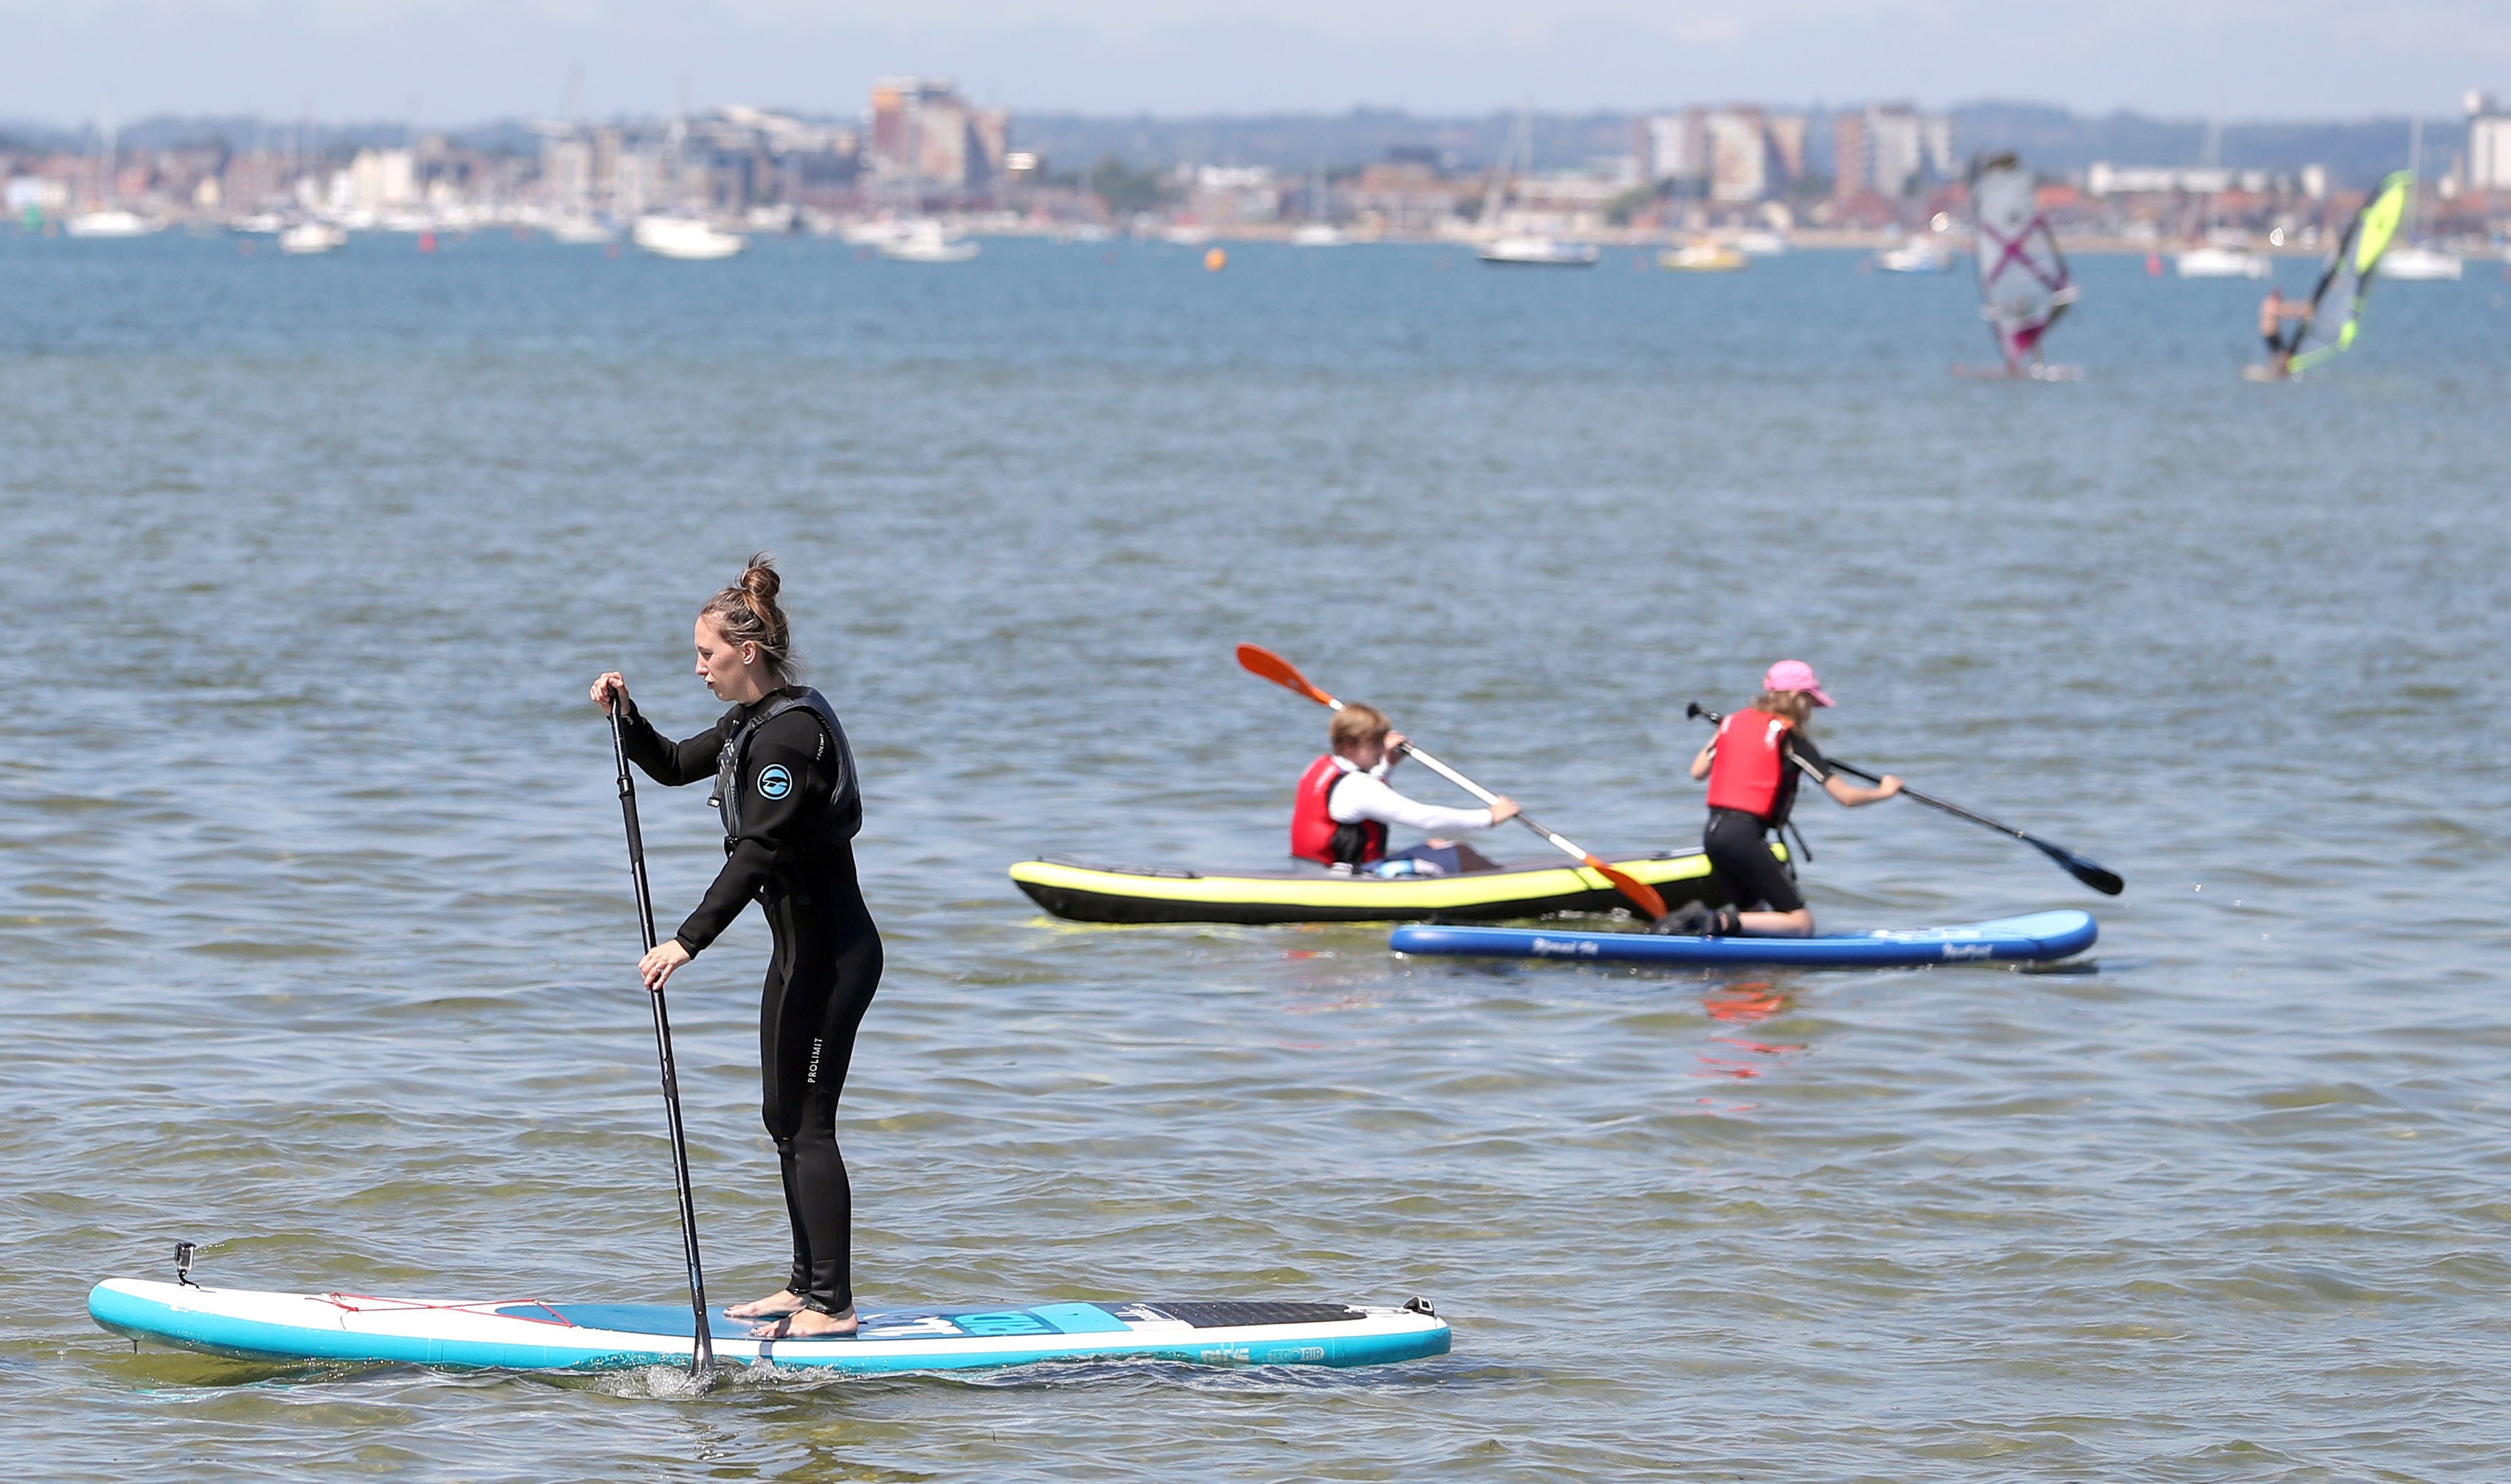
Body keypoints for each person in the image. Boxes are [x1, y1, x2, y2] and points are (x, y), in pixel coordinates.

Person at [589, 555, 880, 1339]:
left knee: (810, 1122)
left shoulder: (789, 738)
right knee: (780, 1115)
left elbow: (755, 854)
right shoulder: (753, 720)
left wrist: (686, 941)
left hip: (834, 955)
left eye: (707, 654)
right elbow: (675, 764)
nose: (699, 667)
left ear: (745, 652)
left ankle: (833, 1303)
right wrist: (626, 714)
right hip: (797, 954)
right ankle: (801, 1285)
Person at [1670, 661, 1900, 937]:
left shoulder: (1732, 723)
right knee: (1801, 924)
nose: (1811, 712)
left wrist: (1725, 734)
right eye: (1809, 701)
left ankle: (1739, 965)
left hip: (1713, 834)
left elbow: (1697, 772)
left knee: (1755, 919)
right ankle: (1714, 920)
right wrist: (1886, 791)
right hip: (1743, 836)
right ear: (1794, 697)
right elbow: (1846, 797)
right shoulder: (1790, 738)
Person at [1289, 703, 1520, 876]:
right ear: (1350, 747)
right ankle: (1513, 895)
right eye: (1376, 744)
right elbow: (1425, 819)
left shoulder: (1320, 766)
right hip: (1352, 877)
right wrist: (1489, 817)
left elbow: (1358, 800)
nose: (1382, 750)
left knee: (1436, 845)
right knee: (1461, 853)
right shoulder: (1357, 786)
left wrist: (1386, 765)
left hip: (1318, 870)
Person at [2258, 288, 2312, 379]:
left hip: (2270, 333)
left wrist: (2300, 307)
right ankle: (2278, 371)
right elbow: (2283, 312)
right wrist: (2300, 312)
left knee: (2277, 353)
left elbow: (2285, 307)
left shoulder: (2269, 303)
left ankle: (2277, 370)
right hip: (2270, 333)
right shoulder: (2271, 304)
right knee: (2282, 353)